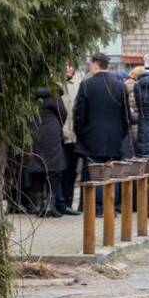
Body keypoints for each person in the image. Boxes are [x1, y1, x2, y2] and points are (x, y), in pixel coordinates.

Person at [73, 53, 131, 215]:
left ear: (95, 65)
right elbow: (126, 115)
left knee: (94, 174)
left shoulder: (86, 85)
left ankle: (96, 209)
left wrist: (81, 135)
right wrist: (121, 135)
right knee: (112, 174)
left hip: (91, 138)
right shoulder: (120, 86)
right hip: (114, 139)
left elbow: (79, 114)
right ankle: (111, 207)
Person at [26, 87, 67, 217]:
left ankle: (38, 205)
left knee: (36, 166)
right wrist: (59, 126)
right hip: (51, 130)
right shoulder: (54, 93)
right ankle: (50, 205)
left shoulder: (30, 90)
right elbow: (63, 113)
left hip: (35, 128)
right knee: (54, 168)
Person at [57, 63, 83, 215]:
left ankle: (68, 201)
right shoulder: (56, 83)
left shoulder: (79, 83)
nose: (67, 68)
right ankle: (60, 203)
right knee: (61, 169)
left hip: (75, 135)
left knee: (72, 171)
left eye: (70, 65)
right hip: (60, 134)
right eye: (65, 65)